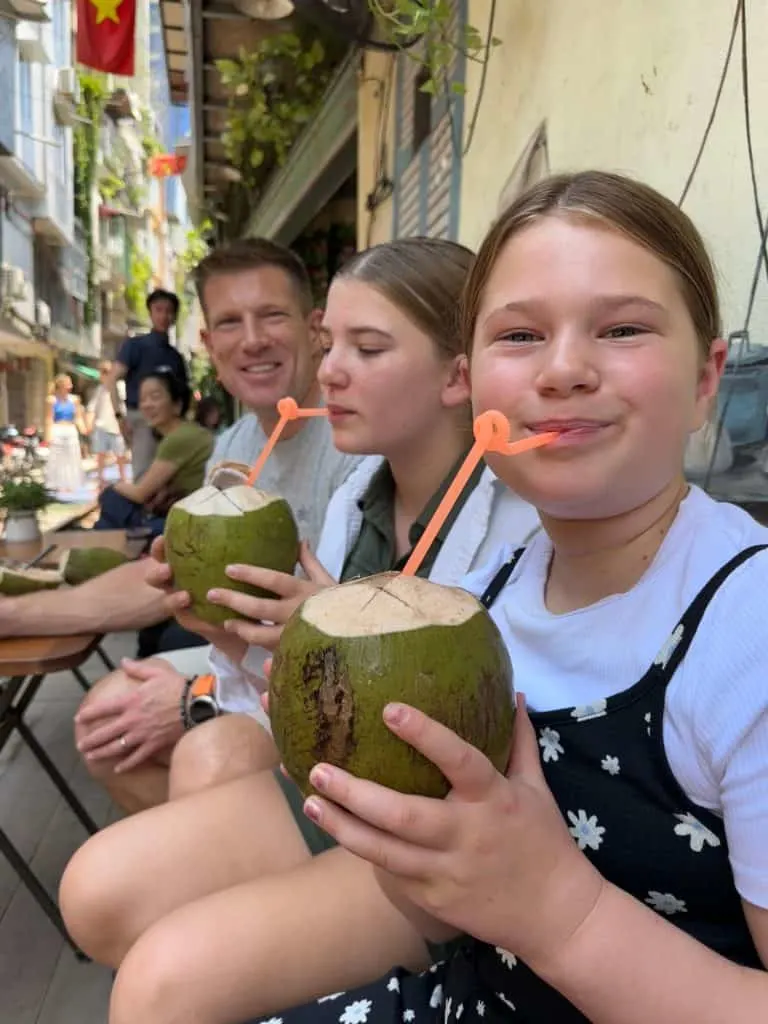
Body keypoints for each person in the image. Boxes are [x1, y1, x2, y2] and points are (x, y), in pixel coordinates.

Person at [223, 172, 768, 1021]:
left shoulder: (748, 631)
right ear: (473, 382)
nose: (564, 370)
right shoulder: (485, 594)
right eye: (521, 335)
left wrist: (562, 912)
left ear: (706, 378)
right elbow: (443, 905)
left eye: (622, 328)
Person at [59, 238, 541, 1024]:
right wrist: (227, 634)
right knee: (95, 896)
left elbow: (479, 719)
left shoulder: (520, 526)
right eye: (331, 345)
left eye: (367, 347)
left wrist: (291, 651)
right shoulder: (360, 497)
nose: (331, 372)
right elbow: (307, 707)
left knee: (162, 984)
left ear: (459, 375)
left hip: (430, 844)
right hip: (334, 791)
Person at [70, 237, 362, 814]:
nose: (252, 339)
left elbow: (342, 644)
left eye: (272, 315)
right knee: (104, 720)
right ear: (207, 344)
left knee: (202, 752)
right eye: (230, 322)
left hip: (327, 674)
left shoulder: (356, 438)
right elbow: (187, 591)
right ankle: (209, 864)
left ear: (315, 328)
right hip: (241, 651)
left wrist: (197, 699)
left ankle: (237, 865)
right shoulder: (234, 444)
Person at [93, 368, 212, 536]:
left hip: (196, 523)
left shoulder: (179, 438)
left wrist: (111, 485)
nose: (147, 405)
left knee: (111, 497)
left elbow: (140, 493)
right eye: (142, 399)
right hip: (192, 515)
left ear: (177, 404)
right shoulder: (186, 432)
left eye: (155, 397)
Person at [107, 288, 186, 481]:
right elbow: (111, 379)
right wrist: (120, 417)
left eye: (168, 311)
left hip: (171, 424)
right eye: (158, 309)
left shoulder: (175, 357)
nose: (164, 315)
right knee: (144, 477)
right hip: (141, 420)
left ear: (174, 316)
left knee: (171, 478)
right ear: (150, 313)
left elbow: (183, 395)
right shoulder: (135, 346)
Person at [87, 361, 128, 490]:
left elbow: (125, 406)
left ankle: (123, 478)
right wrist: (89, 424)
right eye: (103, 372)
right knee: (100, 454)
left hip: (117, 425)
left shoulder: (121, 387)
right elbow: (92, 408)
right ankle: (101, 479)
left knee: (120, 454)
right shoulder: (100, 389)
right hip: (101, 425)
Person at [44, 373, 86, 495]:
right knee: (57, 458)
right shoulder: (51, 400)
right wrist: (48, 436)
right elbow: (49, 419)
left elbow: (78, 417)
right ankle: (57, 484)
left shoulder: (74, 400)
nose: (71, 386)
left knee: (72, 457)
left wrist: (84, 429)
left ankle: (70, 484)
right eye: (68, 383)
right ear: (61, 385)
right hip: (57, 430)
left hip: (71, 430)